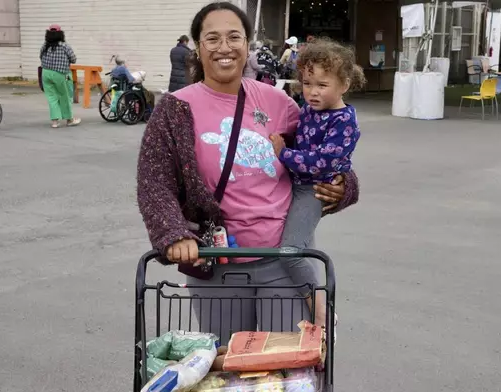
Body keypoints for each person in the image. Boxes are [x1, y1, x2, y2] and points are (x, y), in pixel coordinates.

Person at [136, 2, 359, 344]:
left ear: (247, 44)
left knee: (285, 364)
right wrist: (173, 232)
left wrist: (345, 184)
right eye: (212, 38)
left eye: (234, 37)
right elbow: (155, 181)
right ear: (198, 46)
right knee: (226, 362)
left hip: (282, 261)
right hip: (218, 262)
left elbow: (321, 150)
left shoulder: (277, 101)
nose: (224, 47)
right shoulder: (175, 108)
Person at [269, 37, 366, 326]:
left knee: (290, 252)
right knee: (303, 247)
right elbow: (301, 137)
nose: (312, 92)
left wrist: (283, 153)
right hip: (296, 185)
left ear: (344, 85)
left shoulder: (344, 121)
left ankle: (322, 309)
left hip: (312, 191)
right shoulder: (311, 110)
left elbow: (320, 161)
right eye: (307, 83)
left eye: (322, 86)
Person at [40, 24, 80, 129]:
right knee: (65, 96)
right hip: (60, 74)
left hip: (46, 73)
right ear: (60, 34)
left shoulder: (45, 46)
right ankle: (69, 119)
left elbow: (40, 57)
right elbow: (73, 59)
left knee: (51, 98)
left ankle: (54, 122)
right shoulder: (64, 46)